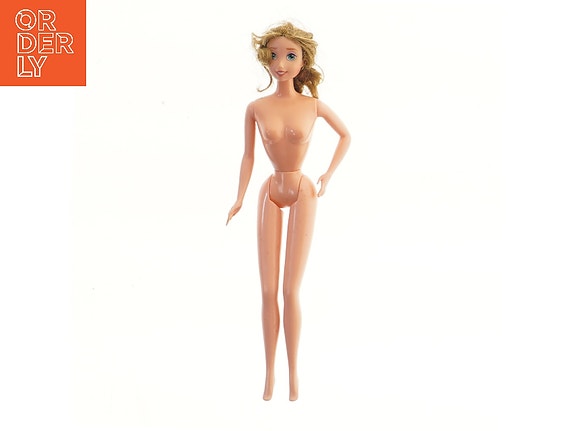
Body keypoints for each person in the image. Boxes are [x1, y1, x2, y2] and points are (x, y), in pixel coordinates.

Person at [226, 21, 350, 401]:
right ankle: (270, 375)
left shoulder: (313, 106)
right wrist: (240, 196)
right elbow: (248, 156)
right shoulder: (256, 108)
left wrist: (328, 174)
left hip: (302, 190)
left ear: (303, 61)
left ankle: (294, 375)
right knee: (267, 290)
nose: (280, 63)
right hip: (270, 190)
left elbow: (346, 135)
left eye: (290, 56)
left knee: (290, 289)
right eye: (274, 55)